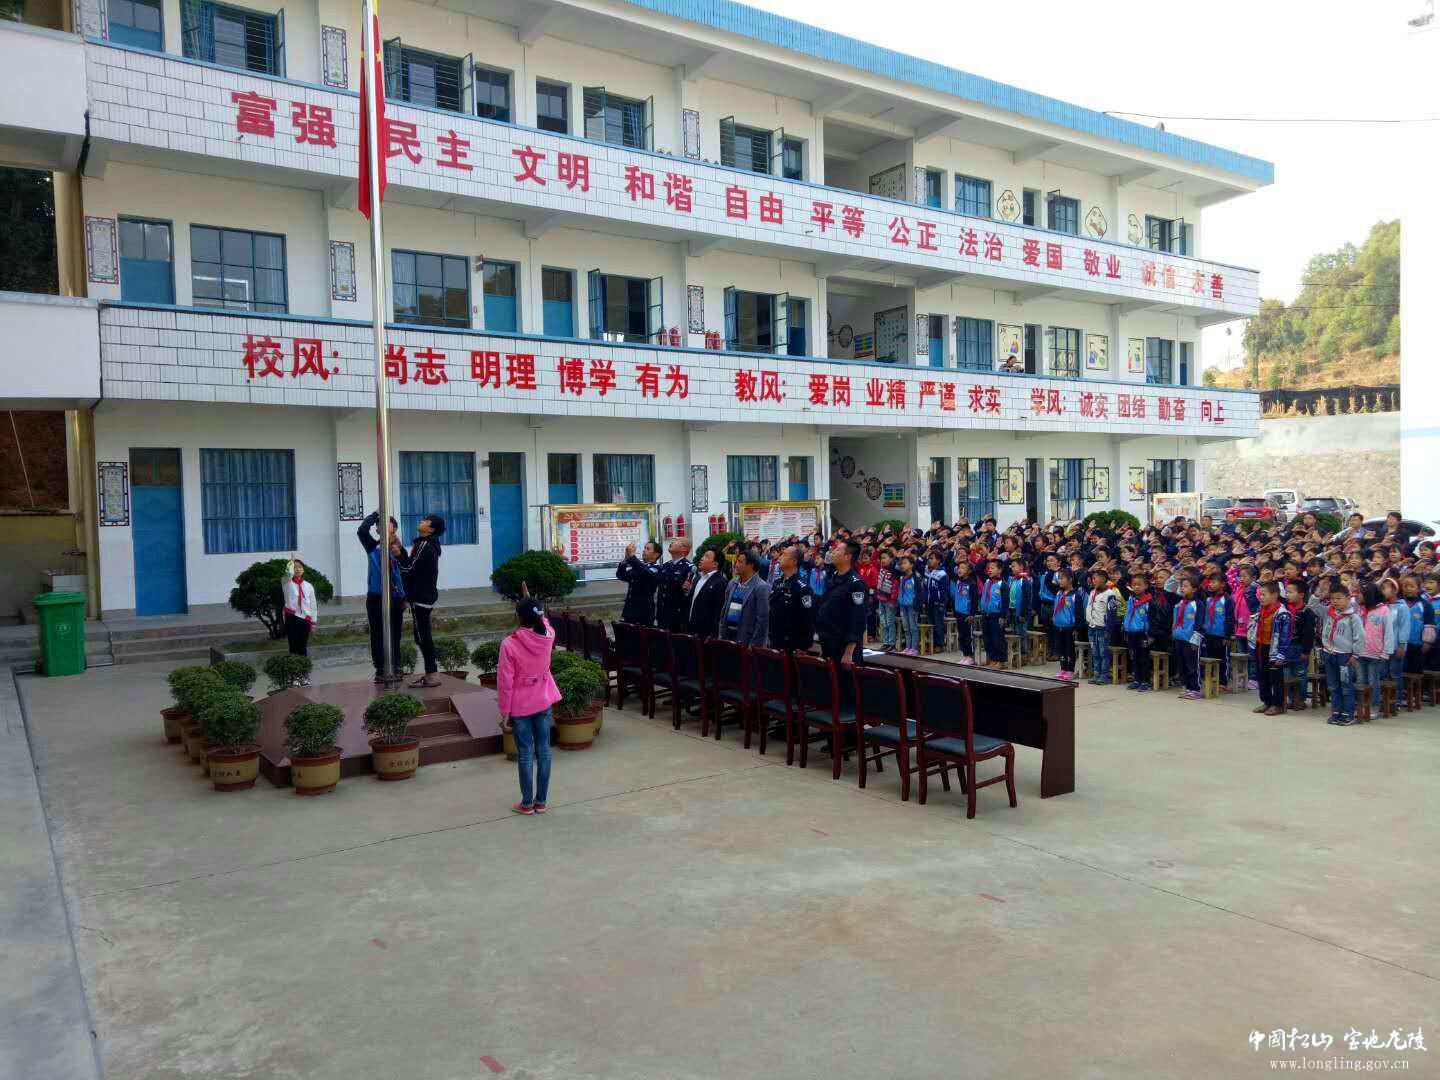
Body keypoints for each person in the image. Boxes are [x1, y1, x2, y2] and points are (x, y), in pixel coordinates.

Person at [496, 595, 562, 815]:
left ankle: (526, 804)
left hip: (519, 705)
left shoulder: (509, 643)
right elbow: (545, 623)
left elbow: (505, 682)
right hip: (542, 700)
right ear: (540, 615)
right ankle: (540, 802)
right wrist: (536, 609)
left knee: (525, 753)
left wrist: (504, 712)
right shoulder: (548, 636)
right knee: (544, 751)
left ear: (518, 617)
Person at [394, 513, 444, 689]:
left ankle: (432, 675)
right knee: (421, 636)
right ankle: (431, 673)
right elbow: (413, 564)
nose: (421, 521)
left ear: (431, 529)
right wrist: (401, 551)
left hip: (422, 596)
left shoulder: (424, 544)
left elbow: (408, 568)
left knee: (423, 637)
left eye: (426, 520)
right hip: (424, 595)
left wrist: (398, 555)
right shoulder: (425, 544)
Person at [812, 539, 867, 696]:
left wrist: (849, 651)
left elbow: (858, 619)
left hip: (843, 647)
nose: (833, 552)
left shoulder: (856, 583)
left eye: (837, 550)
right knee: (830, 691)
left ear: (847, 556)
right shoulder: (834, 577)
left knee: (845, 692)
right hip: (829, 643)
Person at [358, 510, 406, 683]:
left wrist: (406, 597)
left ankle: (397, 666)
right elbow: (362, 531)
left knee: (395, 634)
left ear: (395, 528)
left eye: (387, 522)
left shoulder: (399, 549)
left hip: (395, 598)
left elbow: (406, 574)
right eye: (380, 524)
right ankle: (380, 669)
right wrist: (374, 516)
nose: (382, 525)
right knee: (377, 634)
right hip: (375, 597)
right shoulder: (373, 547)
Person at [1318, 581, 1363, 725]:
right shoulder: (1328, 612)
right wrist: (1319, 594)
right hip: (1329, 653)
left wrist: (1355, 655)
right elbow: (1312, 606)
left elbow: (1360, 637)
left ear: (1348, 598)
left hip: (1344, 656)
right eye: (1332, 598)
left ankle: (1348, 714)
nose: (1335, 601)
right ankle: (1336, 713)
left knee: (1346, 686)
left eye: (1339, 598)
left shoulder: (1353, 617)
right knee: (1333, 685)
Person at [1250, 580, 1293, 717]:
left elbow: (1285, 637)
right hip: (1261, 646)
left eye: (1264, 594)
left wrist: (1281, 654)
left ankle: (1277, 704)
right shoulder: (1260, 610)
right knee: (1262, 676)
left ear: (1274, 595)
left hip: (1274, 650)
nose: (1261, 597)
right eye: (1260, 594)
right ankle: (1266, 701)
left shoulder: (1283, 614)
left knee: (1275, 678)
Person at [719, 549, 770, 646]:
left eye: (740, 562)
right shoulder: (732, 583)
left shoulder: (761, 587)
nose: (736, 564)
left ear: (751, 565)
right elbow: (724, 611)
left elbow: (762, 620)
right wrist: (721, 635)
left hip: (746, 641)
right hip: (727, 639)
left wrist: (754, 645)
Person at [768, 546, 815, 652]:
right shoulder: (777, 582)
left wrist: (804, 646)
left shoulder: (803, 588)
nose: (780, 557)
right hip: (775, 640)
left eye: (784, 555)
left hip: (792, 644)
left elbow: (807, 620)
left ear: (794, 561)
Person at [282, 558, 317, 670]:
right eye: (295, 567)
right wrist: (290, 564)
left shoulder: (308, 586)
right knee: (293, 646)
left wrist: (313, 622)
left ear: (303, 570)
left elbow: (313, 605)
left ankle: (303, 671)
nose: (297, 569)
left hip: (305, 618)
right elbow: (288, 574)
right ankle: (293, 671)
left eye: (300, 567)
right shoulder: (286, 582)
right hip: (291, 616)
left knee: (303, 646)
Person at [1171, 576, 1203, 700]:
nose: (1182, 588)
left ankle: (1195, 689)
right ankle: (1187, 686)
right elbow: (1175, 618)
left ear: (1194, 589)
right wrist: (1174, 631)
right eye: (1182, 586)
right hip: (1179, 637)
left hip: (1190, 639)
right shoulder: (1180, 602)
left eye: (1185, 586)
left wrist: (1196, 637)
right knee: (1182, 664)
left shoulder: (1198, 604)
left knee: (1192, 665)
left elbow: (1199, 622)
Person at [1085, 568, 1119, 685]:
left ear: (1103, 579)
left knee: (1103, 653)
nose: (1093, 580)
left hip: (1102, 628)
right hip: (1092, 627)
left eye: (1095, 578)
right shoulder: (1092, 592)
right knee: (1095, 652)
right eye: (1093, 578)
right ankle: (1096, 674)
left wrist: (1108, 629)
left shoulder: (1111, 594)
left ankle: (1104, 675)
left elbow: (1112, 612)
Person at [616, 540, 661, 625]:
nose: (644, 550)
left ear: (656, 554)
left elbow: (647, 574)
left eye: (648, 549)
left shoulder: (656, 568)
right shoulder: (639, 567)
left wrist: (632, 557)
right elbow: (621, 575)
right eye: (644, 548)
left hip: (643, 613)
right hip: (630, 611)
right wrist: (626, 559)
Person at [684, 548, 727, 638]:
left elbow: (718, 611)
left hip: (706, 633)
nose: (702, 558)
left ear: (715, 564)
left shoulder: (720, 582)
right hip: (690, 629)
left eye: (706, 556)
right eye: (703, 555)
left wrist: (713, 634)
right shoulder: (697, 578)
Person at [655, 538, 694, 632]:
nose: (672, 542)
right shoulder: (665, 565)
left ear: (684, 549)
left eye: (676, 541)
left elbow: (688, 593)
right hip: (662, 614)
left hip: (677, 617)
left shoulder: (689, 568)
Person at [1050, 568, 1078, 682]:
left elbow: (1078, 612)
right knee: (1061, 649)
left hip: (1069, 627)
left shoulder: (1075, 595)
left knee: (1069, 649)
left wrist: (1076, 627)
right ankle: (1063, 669)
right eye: (1059, 578)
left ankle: (1070, 670)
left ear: (1070, 579)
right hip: (1058, 625)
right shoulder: (1059, 593)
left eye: (1062, 578)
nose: (1060, 581)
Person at [874, 549, 899, 650]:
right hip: (881, 599)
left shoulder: (894, 571)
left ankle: (891, 643)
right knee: (883, 622)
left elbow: (895, 587)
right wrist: (878, 549)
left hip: (890, 601)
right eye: (881, 558)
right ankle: (885, 642)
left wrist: (893, 600)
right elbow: (873, 559)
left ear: (891, 559)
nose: (882, 560)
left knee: (889, 622)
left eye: (885, 558)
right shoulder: (882, 569)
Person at [896, 554, 920, 655]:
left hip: (912, 606)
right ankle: (908, 647)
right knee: (906, 627)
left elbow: (919, 592)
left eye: (905, 563)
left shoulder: (916, 577)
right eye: (901, 563)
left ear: (911, 565)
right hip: (903, 606)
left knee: (913, 627)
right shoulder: (902, 577)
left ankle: (914, 648)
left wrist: (916, 604)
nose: (902, 565)